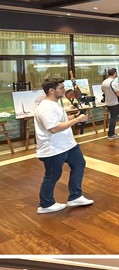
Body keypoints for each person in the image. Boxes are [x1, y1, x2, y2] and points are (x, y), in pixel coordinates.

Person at [33, 78, 94, 214]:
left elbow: (60, 120)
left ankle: (75, 196)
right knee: (53, 175)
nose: (64, 90)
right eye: (61, 88)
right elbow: (54, 128)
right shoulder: (46, 108)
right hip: (53, 148)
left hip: (68, 145)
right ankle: (46, 204)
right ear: (51, 90)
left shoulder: (54, 104)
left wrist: (75, 116)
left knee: (79, 164)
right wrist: (77, 120)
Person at [101, 68, 119, 140]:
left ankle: (112, 133)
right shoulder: (114, 83)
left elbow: (103, 91)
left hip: (108, 102)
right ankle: (111, 134)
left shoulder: (104, 82)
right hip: (114, 102)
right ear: (115, 73)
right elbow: (118, 93)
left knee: (112, 118)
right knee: (113, 118)